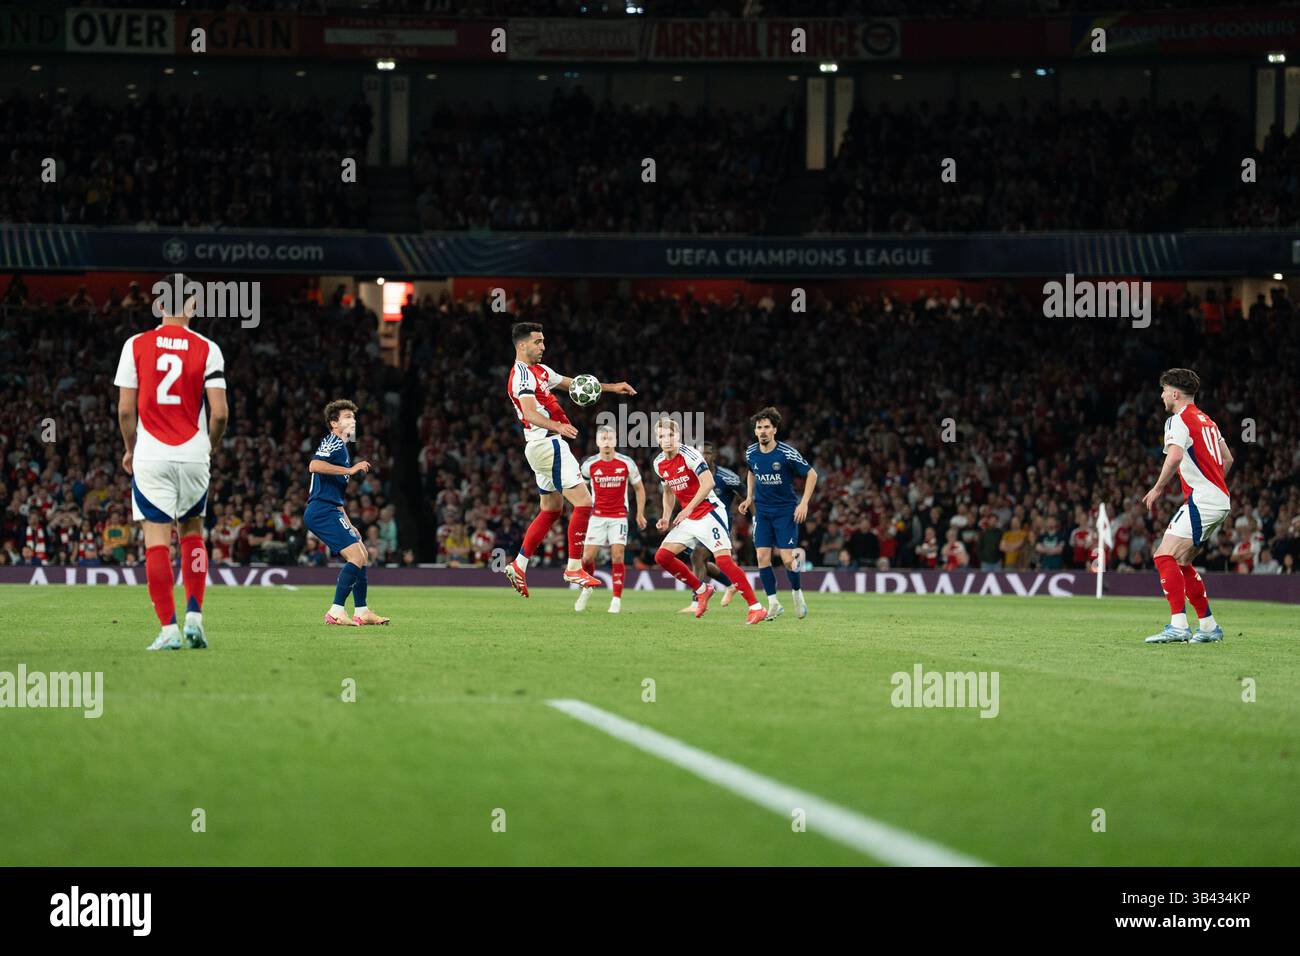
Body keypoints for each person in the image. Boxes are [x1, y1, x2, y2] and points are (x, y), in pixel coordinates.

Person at [113, 273, 227, 651]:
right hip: (194, 454)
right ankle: (195, 616)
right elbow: (221, 414)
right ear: (192, 305)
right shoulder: (208, 348)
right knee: (193, 532)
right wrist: (208, 446)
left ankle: (168, 630)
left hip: (152, 453)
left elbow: (126, 410)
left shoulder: (135, 345)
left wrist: (130, 448)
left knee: (156, 540)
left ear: (158, 305)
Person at [501, 322, 635, 598]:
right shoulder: (521, 376)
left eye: (543, 341)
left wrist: (612, 387)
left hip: (540, 446)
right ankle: (574, 567)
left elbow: (571, 384)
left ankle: (519, 564)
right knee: (585, 502)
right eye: (538, 342)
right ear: (522, 345)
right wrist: (558, 426)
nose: (543, 346)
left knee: (551, 510)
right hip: (548, 444)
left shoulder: (540, 371)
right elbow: (529, 412)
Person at [1141, 369, 1232, 644]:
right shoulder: (1208, 421)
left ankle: (1178, 626)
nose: (1162, 396)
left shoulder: (1176, 420)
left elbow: (1176, 455)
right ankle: (1208, 627)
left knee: (1162, 556)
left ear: (1175, 394)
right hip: (1218, 499)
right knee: (1181, 561)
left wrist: (1157, 488)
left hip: (1203, 499)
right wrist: (1212, 484)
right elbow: (1227, 459)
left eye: (1164, 391)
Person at [653, 418, 767, 624]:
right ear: (657, 439)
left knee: (723, 561)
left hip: (709, 512)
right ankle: (702, 589)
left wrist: (687, 509)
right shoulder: (658, 463)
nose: (667, 440)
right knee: (662, 557)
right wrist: (665, 517)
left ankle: (756, 607)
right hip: (689, 517)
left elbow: (708, 483)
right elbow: (668, 490)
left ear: (678, 436)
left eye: (671, 435)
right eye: (662, 436)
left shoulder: (690, 455)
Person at [304, 399, 390, 627]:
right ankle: (335, 611)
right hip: (321, 510)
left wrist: (349, 523)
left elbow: (336, 496)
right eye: (347, 417)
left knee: (361, 552)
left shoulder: (341, 447)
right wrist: (350, 469)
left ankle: (362, 611)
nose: (353, 420)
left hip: (332, 509)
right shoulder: (333, 442)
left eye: (354, 417)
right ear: (334, 423)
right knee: (356, 557)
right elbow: (314, 465)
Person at [738, 406, 818, 621]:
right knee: (761, 557)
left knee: (787, 559)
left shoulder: (786, 452)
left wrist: (804, 503)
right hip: (763, 512)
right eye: (759, 427)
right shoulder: (751, 452)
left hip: (785, 512)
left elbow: (812, 474)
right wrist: (749, 497)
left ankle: (797, 593)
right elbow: (751, 473)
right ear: (755, 431)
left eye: (766, 427)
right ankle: (773, 603)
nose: (762, 431)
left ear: (774, 430)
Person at [575, 425, 646, 614]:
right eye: (603, 439)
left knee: (617, 555)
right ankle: (587, 588)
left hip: (619, 516)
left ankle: (616, 599)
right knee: (587, 557)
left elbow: (639, 488)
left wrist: (639, 513)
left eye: (610, 438)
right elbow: (581, 491)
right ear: (598, 442)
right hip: (596, 516)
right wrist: (580, 511)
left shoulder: (626, 463)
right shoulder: (589, 465)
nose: (607, 442)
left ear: (615, 441)